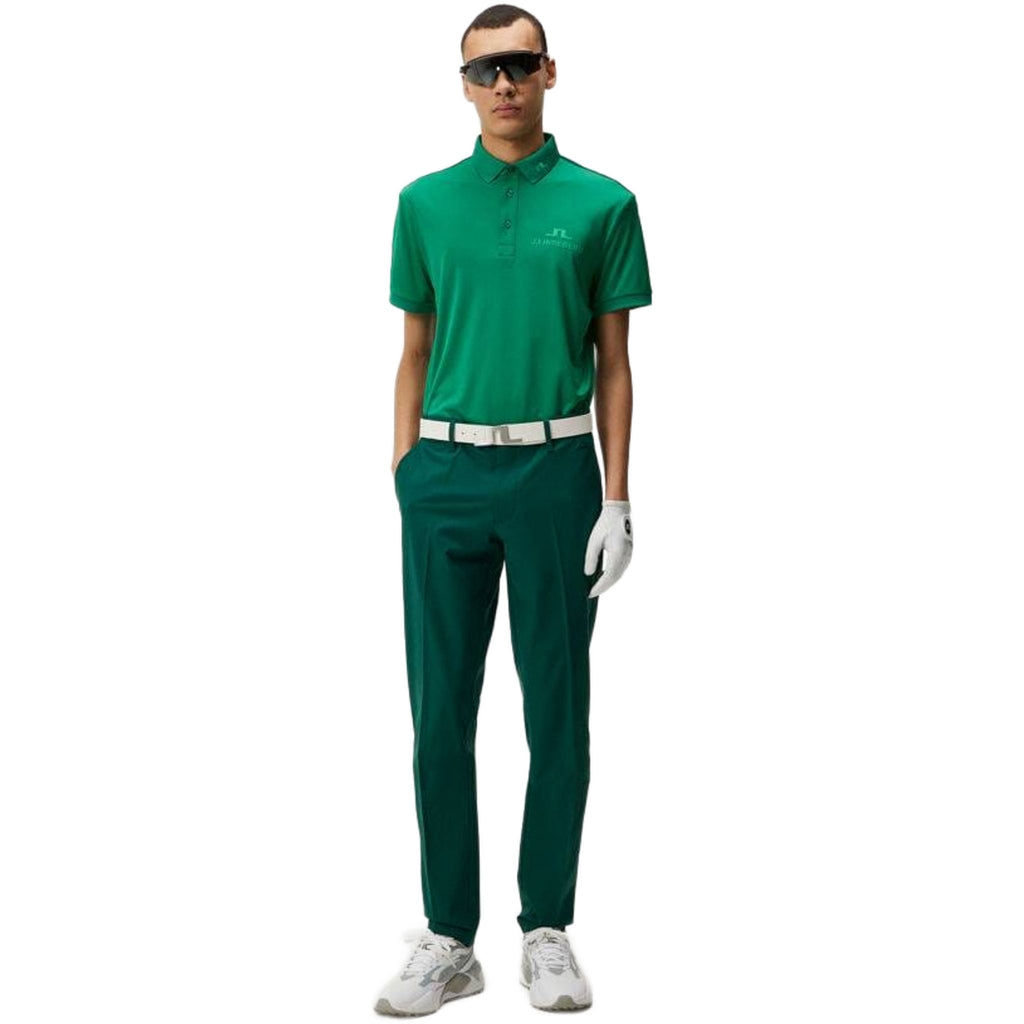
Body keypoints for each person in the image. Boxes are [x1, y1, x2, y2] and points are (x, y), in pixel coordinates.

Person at [374, 4, 652, 1015]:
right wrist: (405, 471)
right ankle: (451, 937)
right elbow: (415, 346)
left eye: (520, 64)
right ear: (463, 83)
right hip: (444, 475)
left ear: (549, 72)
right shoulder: (423, 203)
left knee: (557, 710)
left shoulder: (604, 203)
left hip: (555, 472)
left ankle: (547, 928)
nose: (504, 83)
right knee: (438, 713)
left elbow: (613, 363)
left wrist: (616, 496)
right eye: (485, 68)